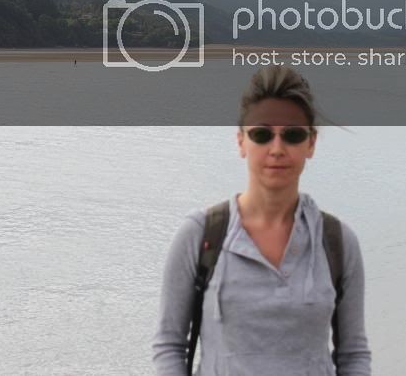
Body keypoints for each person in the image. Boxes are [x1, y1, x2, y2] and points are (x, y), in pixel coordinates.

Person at [151, 65, 371, 375]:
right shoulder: (201, 235)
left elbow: (353, 354)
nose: (277, 149)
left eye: (293, 135)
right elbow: (169, 345)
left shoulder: (338, 242)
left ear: (311, 143)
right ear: (241, 141)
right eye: (262, 134)